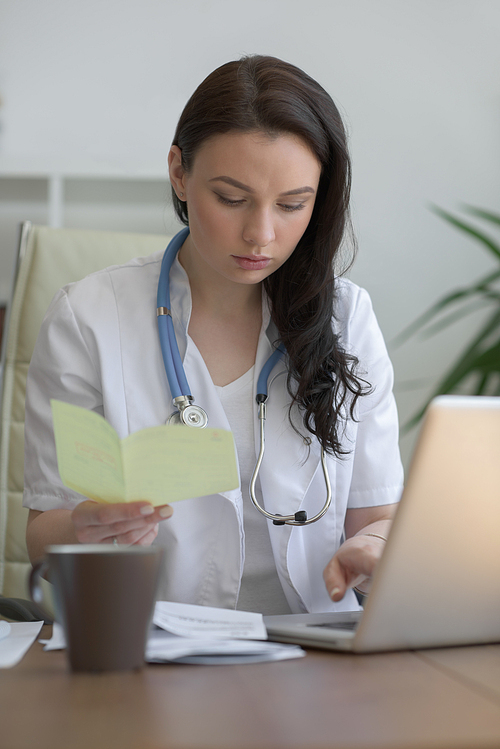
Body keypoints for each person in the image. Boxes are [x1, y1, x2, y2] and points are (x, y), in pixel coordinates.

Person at [23, 55, 403, 615]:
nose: (261, 233)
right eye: (231, 198)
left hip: (319, 655)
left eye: (293, 204)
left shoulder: (348, 318)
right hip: (158, 652)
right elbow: (42, 538)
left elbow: (377, 517)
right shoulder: (88, 318)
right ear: (179, 171)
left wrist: (373, 549)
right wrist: (85, 528)